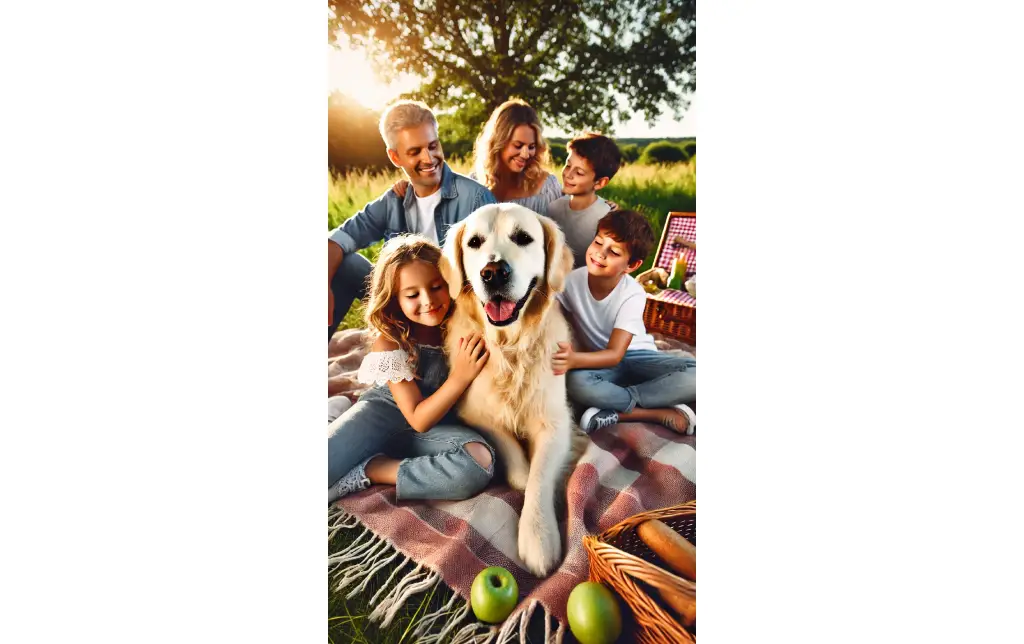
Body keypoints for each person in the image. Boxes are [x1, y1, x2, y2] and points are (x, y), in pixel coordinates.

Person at [328, 235, 496, 504]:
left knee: (478, 463)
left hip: (429, 432)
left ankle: (372, 467)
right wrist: (461, 376)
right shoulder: (390, 341)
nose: (428, 300)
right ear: (395, 300)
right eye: (412, 294)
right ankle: (336, 419)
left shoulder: (461, 321)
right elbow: (417, 417)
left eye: (436, 286)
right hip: (384, 418)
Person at [328, 100, 497, 340]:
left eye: (433, 146)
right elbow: (336, 240)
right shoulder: (394, 200)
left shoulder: (476, 198)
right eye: (415, 152)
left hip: (450, 311)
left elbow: (494, 269)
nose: (429, 159)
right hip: (404, 307)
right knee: (345, 264)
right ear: (395, 157)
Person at [552, 210, 697, 435]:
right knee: (576, 384)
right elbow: (552, 308)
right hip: (600, 364)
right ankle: (656, 411)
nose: (600, 254)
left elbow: (616, 354)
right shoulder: (571, 282)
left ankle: (620, 410)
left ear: (631, 265)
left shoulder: (633, 293)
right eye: (598, 242)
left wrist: (573, 360)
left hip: (637, 356)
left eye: (614, 252)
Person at [470, 98, 564, 213]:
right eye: (518, 145)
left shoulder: (548, 187)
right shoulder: (472, 184)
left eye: (531, 147)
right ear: (498, 143)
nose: (525, 155)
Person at [546, 133, 623, 269]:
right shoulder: (553, 208)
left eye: (579, 173)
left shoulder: (607, 216)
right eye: (568, 165)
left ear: (600, 183)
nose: (568, 175)